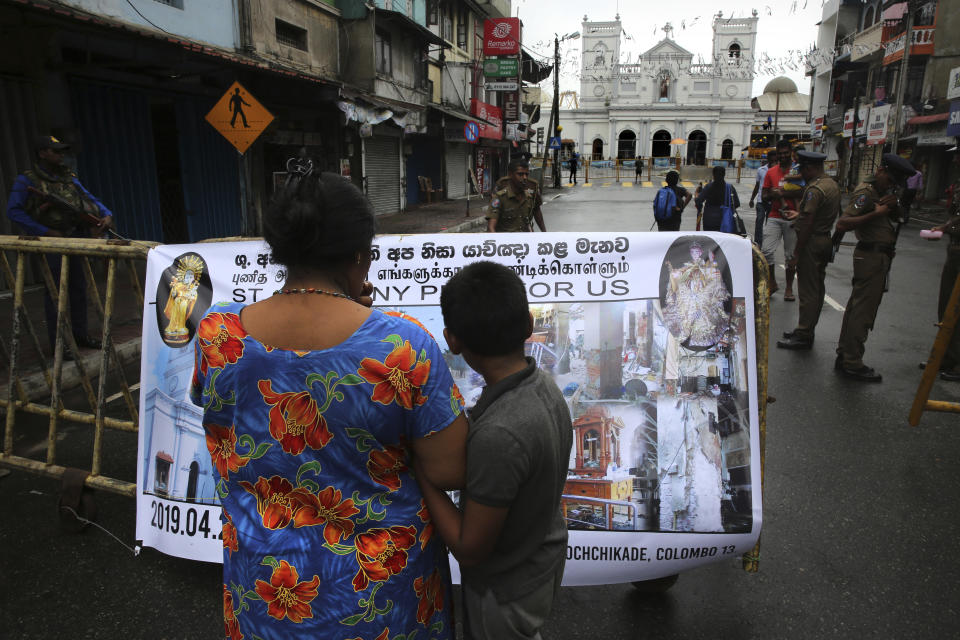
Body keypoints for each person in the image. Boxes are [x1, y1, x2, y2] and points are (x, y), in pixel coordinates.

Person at [190, 169, 468, 638]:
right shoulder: (402, 345)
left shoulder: (218, 337)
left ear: (279, 252)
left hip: (267, 594)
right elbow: (450, 469)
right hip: (381, 595)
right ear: (360, 254)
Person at [416, 260, 572, 640]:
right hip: (538, 559)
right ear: (529, 326)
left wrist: (422, 473)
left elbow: (470, 550)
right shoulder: (541, 385)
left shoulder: (501, 434)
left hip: (505, 590)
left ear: (452, 340)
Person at [6, 135, 114, 352]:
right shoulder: (27, 180)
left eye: (62, 151)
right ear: (42, 153)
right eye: (55, 151)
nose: (61, 155)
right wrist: (46, 231)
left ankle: (80, 335)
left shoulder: (68, 178)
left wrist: (106, 215)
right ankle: (59, 344)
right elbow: (13, 211)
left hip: (76, 238)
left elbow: (90, 198)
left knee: (79, 288)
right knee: (56, 292)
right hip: (53, 244)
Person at [833, 153, 915, 382]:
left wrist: (895, 204)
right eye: (890, 181)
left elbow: (900, 218)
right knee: (862, 311)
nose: (892, 186)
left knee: (858, 308)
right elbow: (843, 223)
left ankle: (846, 355)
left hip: (879, 256)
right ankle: (852, 361)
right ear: (881, 171)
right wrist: (875, 213)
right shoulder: (866, 193)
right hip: (870, 256)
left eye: (895, 183)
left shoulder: (883, 192)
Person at [776, 151, 841, 350]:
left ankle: (804, 333)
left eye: (802, 170)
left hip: (812, 242)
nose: (801, 175)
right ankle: (805, 329)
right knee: (817, 288)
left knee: (808, 290)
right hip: (823, 238)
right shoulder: (831, 184)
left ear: (809, 168)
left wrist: (796, 254)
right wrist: (799, 214)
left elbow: (808, 224)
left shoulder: (814, 190)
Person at [924, 147, 960, 381]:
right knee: (947, 307)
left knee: (956, 309)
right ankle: (944, 358)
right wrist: (945, 227)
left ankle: (955, 363)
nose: (955, 159)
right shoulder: (958, 183)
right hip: (955, 249)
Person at [663, 242, 731, 348]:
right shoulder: (689, 264)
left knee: (703, 310)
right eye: (693, 252)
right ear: (691, 253)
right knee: (689, 308)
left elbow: (710, 271)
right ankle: (688, 330)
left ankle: (701, 332)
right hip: (691, 289)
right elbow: (683, 272)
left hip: (701, 288)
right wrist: (675, 272)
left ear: (700, 253)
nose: (695, 254)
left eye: (697, 252)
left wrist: (710, 264)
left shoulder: (703, 263)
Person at [761, 139, 799, 300]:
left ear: (791, 153)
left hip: (793, 217)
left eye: (786, 153)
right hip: (775, 216)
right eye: (780, 153)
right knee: (766, 251)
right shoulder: (771, 172)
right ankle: (772, 283)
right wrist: (772, 194)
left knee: (790, 256)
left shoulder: (798, 171)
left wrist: (782, 193)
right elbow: (764, 195)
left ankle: (789, 288)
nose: (783, 156)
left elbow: (803, 192)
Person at [488, 159, 546, 232]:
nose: (524, 178)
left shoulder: (529, 198)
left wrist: (545, 235)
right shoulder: (499, 197)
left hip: (525, 240)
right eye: (520, 174)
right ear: (510, 174)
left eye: (526, 174)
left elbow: (536, 211)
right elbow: (491, 227)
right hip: (506, 241)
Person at [695, 165, 740, 232]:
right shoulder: (730, 188)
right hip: (725, 220)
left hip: (709, 220)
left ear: (713, 175)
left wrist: (696, 193)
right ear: (724, 174)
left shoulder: (708, 187)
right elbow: (737, 204)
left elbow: (698, 201)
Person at [749, 150, 778, 245]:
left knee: (770, 224)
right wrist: (752, 199)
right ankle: (758, 243)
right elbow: (757, 186)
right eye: (772, 158)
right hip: (761, 201)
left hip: (773, 202)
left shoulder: (778, 171)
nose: (774, 160)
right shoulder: (761, 170)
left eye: (775, 158)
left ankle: (768, 242)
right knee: (759, 221)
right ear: (768, 159)